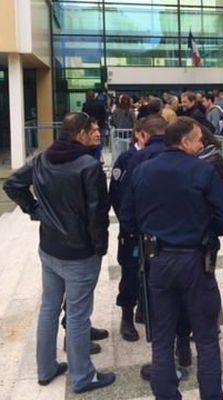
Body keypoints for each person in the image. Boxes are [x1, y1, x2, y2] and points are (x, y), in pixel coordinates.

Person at [120, 116, 223, 400]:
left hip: (157, 260)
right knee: (207, 339)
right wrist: (206, 228)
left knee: (161, 339)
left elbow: (127, 217)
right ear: (184, 142)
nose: (202, 144)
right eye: (198, 139)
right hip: (195, 261)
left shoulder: (143, 170)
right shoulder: (202, 171)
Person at [3, 112, 116, 393]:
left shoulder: (43, 158)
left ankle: (46, 367)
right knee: (78, 316)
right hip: (79, 253)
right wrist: (99, 247)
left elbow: (13, 184)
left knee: (50, 309)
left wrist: (36, 210)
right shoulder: (88, 166)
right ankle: (83, 377)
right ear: (79, 134)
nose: (97, 133)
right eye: (92, 129)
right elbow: (96, 213)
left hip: (50, 248)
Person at [109, 120, 148, 342]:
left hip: (151, 227)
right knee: (130, 272)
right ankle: (127, 316)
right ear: (138, 135)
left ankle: (143, 308)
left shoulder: (156, 155)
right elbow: (115, 193)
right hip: (131, 229)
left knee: (150, 272)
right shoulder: (125, 159)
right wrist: (127, 220)